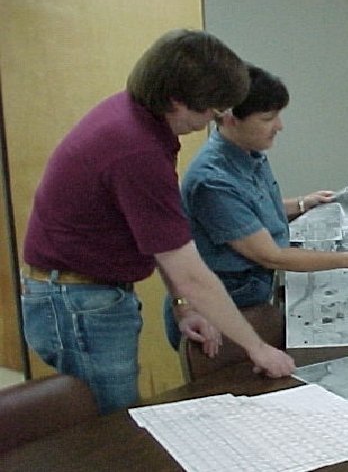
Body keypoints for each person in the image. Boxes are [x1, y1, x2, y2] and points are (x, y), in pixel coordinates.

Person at [21, 29, 295, 415]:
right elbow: (190, 273)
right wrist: (258, 348)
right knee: (113, 424)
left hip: (90, 291)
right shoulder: (137, 149)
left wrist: (183, 305)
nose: (214, 120)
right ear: (177, 101)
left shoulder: (140, 120)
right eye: (210, 110)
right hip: (77, 299)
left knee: (115, 415)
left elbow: (163, 238)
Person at [163, 65, 348, 349]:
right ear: (231, 119)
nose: (279, 126)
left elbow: (249, 212)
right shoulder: (212, 181)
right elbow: (272, 256)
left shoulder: (249, 152)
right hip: (220, 313)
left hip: (254, 301)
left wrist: (302, 203)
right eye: (268, 118)